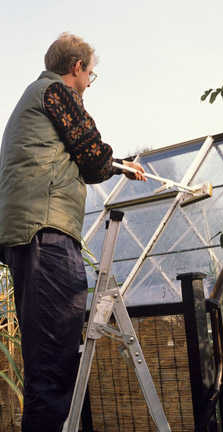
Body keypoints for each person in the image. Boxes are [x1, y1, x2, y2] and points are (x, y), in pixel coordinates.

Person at [0, 32, 146, 432]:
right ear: (77, 68)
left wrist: (119, 164)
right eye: (90, 75)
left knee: (47, 365)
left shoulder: (33, 100)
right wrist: (114, 163)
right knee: (52, 369)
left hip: (30, 236)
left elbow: (80, 154)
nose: (88, 84)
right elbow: (93, 156)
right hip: (47, 235)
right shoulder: (57, 93)